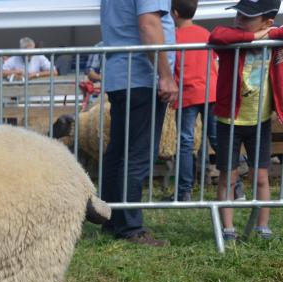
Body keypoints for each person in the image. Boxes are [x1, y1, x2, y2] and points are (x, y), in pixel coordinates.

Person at [99, 0, 178, 247]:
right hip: (141, 76)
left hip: (121, 75)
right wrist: (165, 75)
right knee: (137, 154)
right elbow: (148, 24)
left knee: (119, 152)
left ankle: (112, 219)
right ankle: (131, 228)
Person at [209, 0, 283, 241]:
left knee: (261, 177)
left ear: (268, 21)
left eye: (247, 16)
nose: (239, 18)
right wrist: (255, 34)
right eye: (238, 13)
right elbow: (217, 35)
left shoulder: (274, 42)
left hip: (260, 121)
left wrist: (271, 34)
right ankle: (228, 229)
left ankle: (263, 227)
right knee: (227, 177)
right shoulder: (231, 40)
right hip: (229, 121)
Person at [168, 0, 219, 202]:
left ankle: (184, 191)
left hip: (187, 95)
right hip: (211, 92)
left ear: (175, 12)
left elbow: (171, 67)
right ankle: (236, 187)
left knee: (185, 144)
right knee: (218, 140)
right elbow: (214, 64)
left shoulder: (172, 37)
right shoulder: (205, 34)